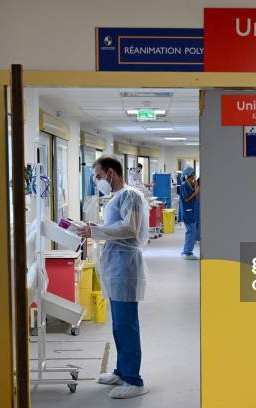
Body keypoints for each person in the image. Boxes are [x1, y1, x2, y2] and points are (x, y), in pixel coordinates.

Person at [77, 155, 150, 399]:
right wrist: (93, 227)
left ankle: (134, 380)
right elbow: (116, 226)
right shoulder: (116, 198)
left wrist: (96, 230)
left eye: (98, 176)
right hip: (116, 265)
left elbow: (130, 228)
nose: (97, 181)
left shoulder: (130, 195)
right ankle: (121, 371)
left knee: (127, 324)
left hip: (125, 266)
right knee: (118, 324)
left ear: (110, 173)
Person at [179, 167, 199, 260]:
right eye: (194, 174)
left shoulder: (190, 184)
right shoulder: (184, 185)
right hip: (188, 212)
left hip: (191, 211)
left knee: (191, 231)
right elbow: (186, 199)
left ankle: (186, 250)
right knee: (191, 232)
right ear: (192, 175)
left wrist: (195, 188)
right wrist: (196, 192)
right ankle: (187, 253)